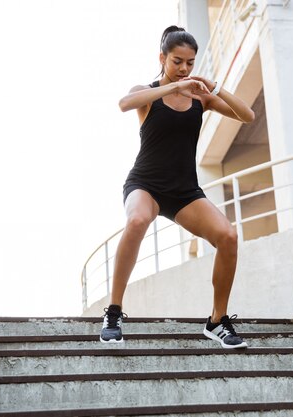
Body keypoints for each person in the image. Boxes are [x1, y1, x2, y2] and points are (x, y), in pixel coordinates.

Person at [100, 25, 255, 349]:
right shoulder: (147, 92)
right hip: (145, 183)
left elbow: (247, 115)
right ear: (162, 58)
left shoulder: (202, 98)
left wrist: (214, 88)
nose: (184, 69)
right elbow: (124, 103)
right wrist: (171, 86)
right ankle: (114, 312)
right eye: (177, 61)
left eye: (190, 63)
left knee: (227, 236)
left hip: (184, 191)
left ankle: (217, 320)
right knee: (137, 220)